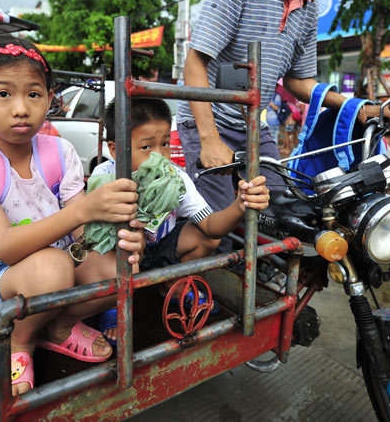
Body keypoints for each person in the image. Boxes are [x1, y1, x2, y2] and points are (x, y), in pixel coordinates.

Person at [176, 0, 390, 250]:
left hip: (255, 126)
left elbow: (299, 81)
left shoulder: (311, 5)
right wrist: (208, 140)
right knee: (218, 234)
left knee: (287, 221)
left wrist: (361, 108)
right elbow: (195, 62)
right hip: (207, 122)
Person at [0, 35, 146, 398]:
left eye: (34, 94)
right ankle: (19, 343)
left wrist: (119, 232)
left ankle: (60, 327)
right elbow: (3, 246)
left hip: (55, 273)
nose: (20, 108)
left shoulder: (60, 150)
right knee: (53, 267)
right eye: (4, 94)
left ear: (50, 99)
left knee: (121, 262)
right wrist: (83, 209)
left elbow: (83, 232)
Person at [92, 98, 270, 342]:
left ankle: (174, 287)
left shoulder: (176, 177)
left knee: (205, 238)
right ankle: (111, 306)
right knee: (115, 249)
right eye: (146, 147)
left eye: (165, 144)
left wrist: (239, 205)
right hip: (123, 254)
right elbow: (92, 234)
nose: (160, 157)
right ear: (115, 150)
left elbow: (211, 225)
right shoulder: (104, 177)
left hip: (162, 250)